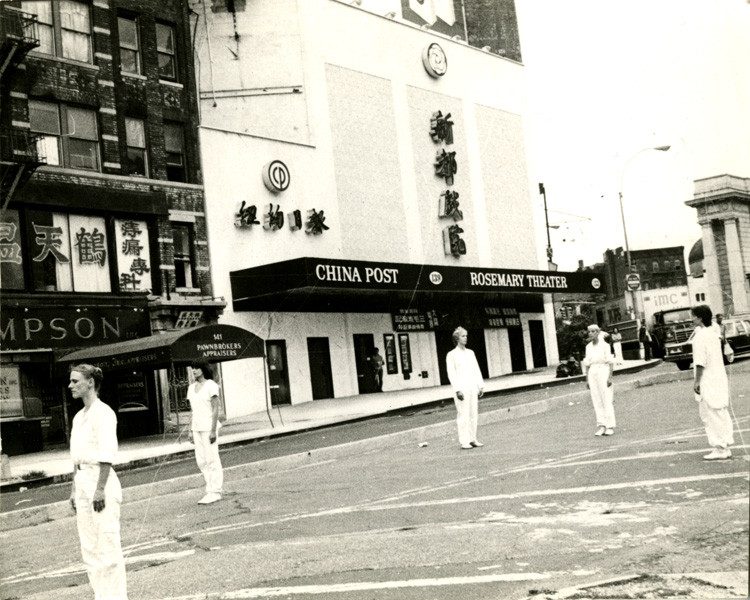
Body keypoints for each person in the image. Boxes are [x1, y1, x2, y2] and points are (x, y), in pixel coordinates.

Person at [68, 364, 128, 600]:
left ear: (90, 382)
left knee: (108, 546)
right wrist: (74, 489)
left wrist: (100, 489)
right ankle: (101, 596)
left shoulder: (104, 413)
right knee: (90, 548)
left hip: (99, 481)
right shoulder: (78, 416)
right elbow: (76, 457)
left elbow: (106, 453)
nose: (70, 386)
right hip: (82, 480)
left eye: (75, 381)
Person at [691, 305, 734, 460]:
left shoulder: (701, 336)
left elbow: (700, 362)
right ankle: (725, 445)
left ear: (700, 317)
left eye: (694, 316)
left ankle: (720, 448)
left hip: (708, 379)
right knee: (720, 412)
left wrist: (697, 382)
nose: (692, 318)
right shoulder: (713, 332)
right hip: (718, 377)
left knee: (710, 414)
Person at [187, 360, 224, 504]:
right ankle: (209, 489)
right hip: (197, 428)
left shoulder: (211, 385)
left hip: (209, 427)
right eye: (192, 368)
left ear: (203, 369)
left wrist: (213, 430)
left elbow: (216, 409)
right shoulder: (191, 388)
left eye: (196, 368)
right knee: (201, 460)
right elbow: (193, 410)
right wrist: (190, 430)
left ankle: (216, 491)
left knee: (212, 459)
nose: (194, 371)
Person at [446, 327, 485, 449]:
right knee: (463, 414)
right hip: (462, 388)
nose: (466, 338)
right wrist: (457, 389)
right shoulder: (451, 355)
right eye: (463, 336)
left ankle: (473, 439)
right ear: (457, 338)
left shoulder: (470, 353)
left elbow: (476, 369)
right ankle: (464, 441)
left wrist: (480, 385)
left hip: (472, 386)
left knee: (473, 414)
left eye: (466, 336)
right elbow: (451, 373)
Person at [581, 324, 616, 437]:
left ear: (597, 332)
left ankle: (609, 426)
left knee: (606, 398)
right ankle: (601, 425)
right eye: (589, 332)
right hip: (593, 371)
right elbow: (587, 364)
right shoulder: (588, 347)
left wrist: (610, 377)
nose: (590, 334)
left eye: (592, 331)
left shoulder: (605, 345)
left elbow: (610, 362)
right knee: (596, 399)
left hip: (603, 370)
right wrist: (587, 379)